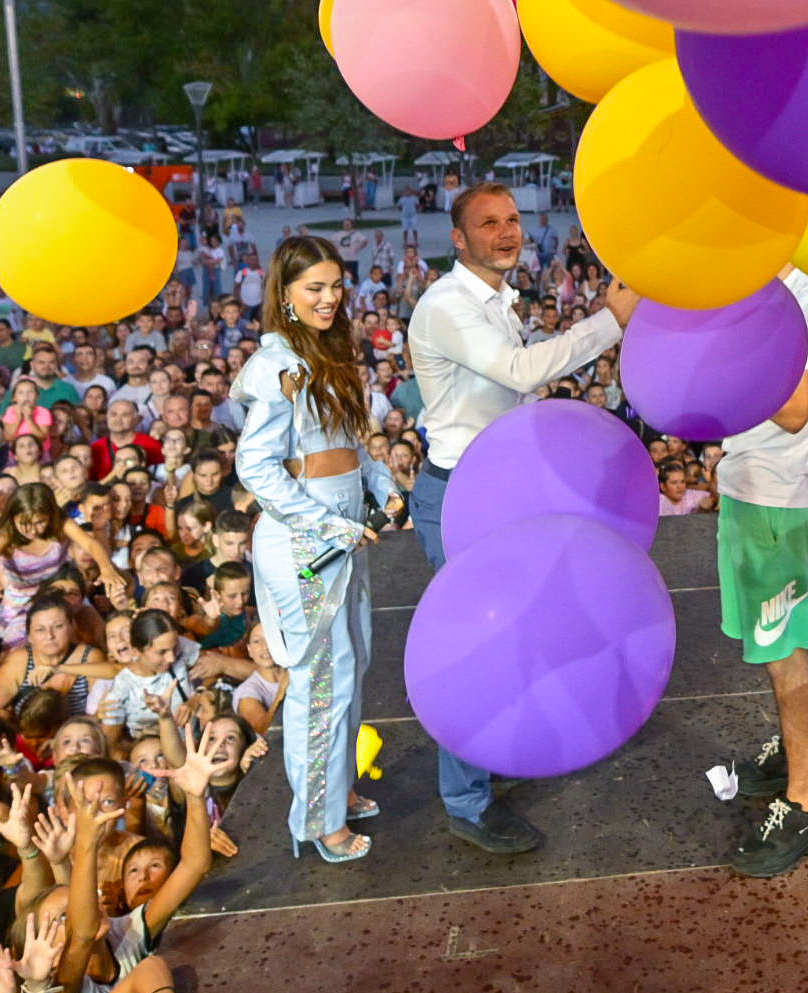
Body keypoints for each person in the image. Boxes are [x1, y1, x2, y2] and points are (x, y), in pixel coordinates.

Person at [404, 183, 634, 856]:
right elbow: (520, 371)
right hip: (456, 497)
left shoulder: (494, 301)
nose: (508, 232)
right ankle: (467, 805)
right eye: (489, 223)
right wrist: (610, 320)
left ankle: (487, 763)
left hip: (495, 493)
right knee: (475, 650)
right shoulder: (447, 306)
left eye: (512, 220)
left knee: (506, 640)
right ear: (459, 238)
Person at [234, 235, 402, 862]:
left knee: (350, 668)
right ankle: (319, 822)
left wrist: (382, 485)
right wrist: (327, 524)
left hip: (343, 535)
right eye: (315, 288)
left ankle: (338, 790)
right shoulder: (280, 364)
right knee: (321, 686)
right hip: (307, 548)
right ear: (284, 293)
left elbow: (345, 447)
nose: (330, 298)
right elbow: (257, 467)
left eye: (336, 285)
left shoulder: (324, 353)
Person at [716, 265, 808, 876]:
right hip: (743, 488)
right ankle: (792, 757)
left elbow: (796, 411)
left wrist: (721, 366)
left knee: (784, 647)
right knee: (768, 647)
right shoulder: (750, 289)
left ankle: (802, 801)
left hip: (774, 501)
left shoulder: (806, 302)